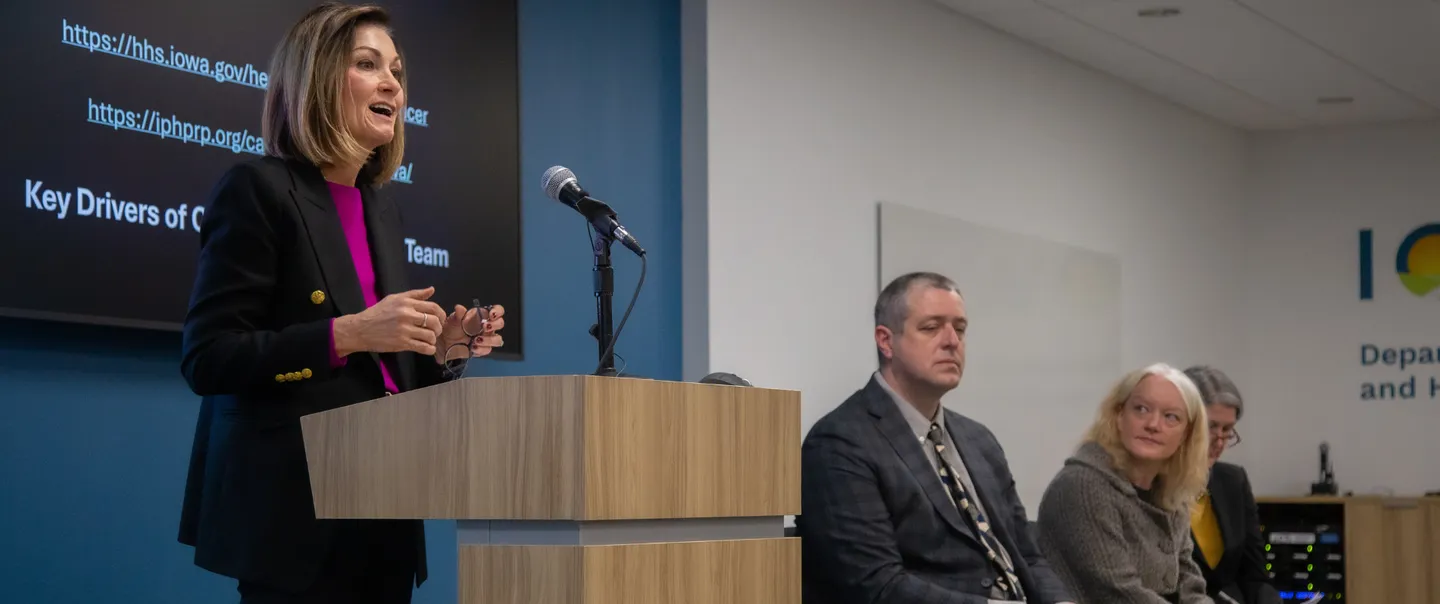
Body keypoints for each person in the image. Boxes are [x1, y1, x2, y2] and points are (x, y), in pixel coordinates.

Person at [175, 4, 505, 603]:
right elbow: (209, 358)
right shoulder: (258, 188)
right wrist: (346, 333)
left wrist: (445, 348)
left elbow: (382, 376)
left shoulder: (381, 206)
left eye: (397, 72)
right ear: (318, 78)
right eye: (367, 64)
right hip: (295, 522)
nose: (392, 84)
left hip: (383, 511)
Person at [797, 271, 1075, 604]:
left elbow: (1027, 554)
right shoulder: (839, 444)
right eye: (931, 328)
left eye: (960, 328)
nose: (952, 341)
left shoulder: (979, 440)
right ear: (886, 341)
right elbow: (878, 586)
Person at [1034, 363, 1213, 604]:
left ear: (1186, 434)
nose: (1153, 424)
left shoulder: (1169, 493)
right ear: (1119, 416)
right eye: (1141, 409)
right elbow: (1117, 592)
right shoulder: (1082, 486)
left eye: (1171, 417)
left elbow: (1189, 581)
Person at [1183, 366, 1281, 604]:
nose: (1219, 440)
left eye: (1227, 430)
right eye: (1211, 426)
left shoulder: (1233, 480)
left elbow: (1255, 575)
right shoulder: (1146, 485)